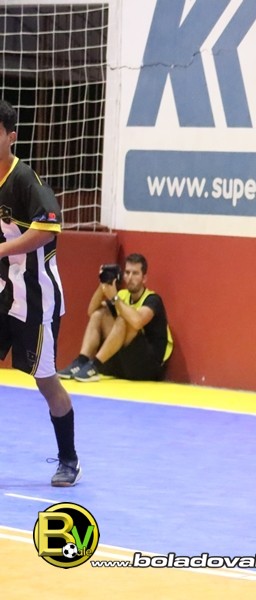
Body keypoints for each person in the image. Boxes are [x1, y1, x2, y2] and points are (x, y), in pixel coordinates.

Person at [0, 99, 82, 486]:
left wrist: (2, 250)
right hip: (2, 293)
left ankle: (69, 459)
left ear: (10, 137)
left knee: (46, 381)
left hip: (36, 298)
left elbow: (48, 229)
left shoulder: (25, 179)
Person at [58, 253, 172, 382]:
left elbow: (137, 322)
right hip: (125, 362)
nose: (130, 277)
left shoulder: (153, 300)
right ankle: (81, 361)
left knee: (123, 319)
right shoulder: (123, 294)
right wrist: (103, 285)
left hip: (148, 367)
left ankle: (95, 365)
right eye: (127, 273)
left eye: (135, 273)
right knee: (99, 315)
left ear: (144, 278)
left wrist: (114, 298)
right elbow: (91, 312)